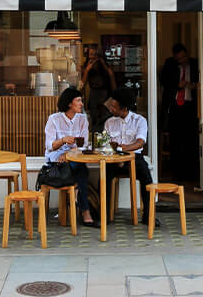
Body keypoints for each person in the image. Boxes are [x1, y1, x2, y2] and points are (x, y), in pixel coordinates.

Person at [43, 87, 97, 227]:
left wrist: (68, 154)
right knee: (82, 170)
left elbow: (83, 145)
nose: (81, 104)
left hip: (73, 158)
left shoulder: (82, 119)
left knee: (78, 167)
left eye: (81, 101)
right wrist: (63, 141)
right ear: (69, 104)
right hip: (56, 160)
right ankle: (85, 212)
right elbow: (49, 146)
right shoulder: (54, 119)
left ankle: (76, 206)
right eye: (78, 101)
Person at [104, 88, 157, 225]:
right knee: (104, 178)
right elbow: (105, 143)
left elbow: (140, 143)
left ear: (124, 108)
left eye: (114, 107)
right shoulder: (109, 122)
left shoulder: (139, 121)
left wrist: (121, 149)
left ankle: (149, 215)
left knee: (147, 177)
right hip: (113, 159)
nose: (111, 109)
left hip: (134, 157)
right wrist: (116, 153)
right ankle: (104, 214)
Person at [159, 42, 199, 182]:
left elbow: (202, 80)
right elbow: (163, 80)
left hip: (190, 107)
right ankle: (177, 174)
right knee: (175, 140)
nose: (181, 62)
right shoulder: (169, 65)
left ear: (187, 55)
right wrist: (177, 84)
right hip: (175, 106)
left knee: (191, 140)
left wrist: (194, 86)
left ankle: (191, 173)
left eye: (183, 58)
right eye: (178, 59)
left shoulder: (195, 64)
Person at [81, 45, 115, 127]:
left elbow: (112, 81)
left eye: (95, 55)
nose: (93, 58)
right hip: (93, 96)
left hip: (105, 96)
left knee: (105, 119)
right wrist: (87, 70)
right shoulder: (87, 68)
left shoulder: (105, 68)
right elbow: (82, 85)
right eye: (91, 54)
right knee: (94, 119)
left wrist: (103, 64)